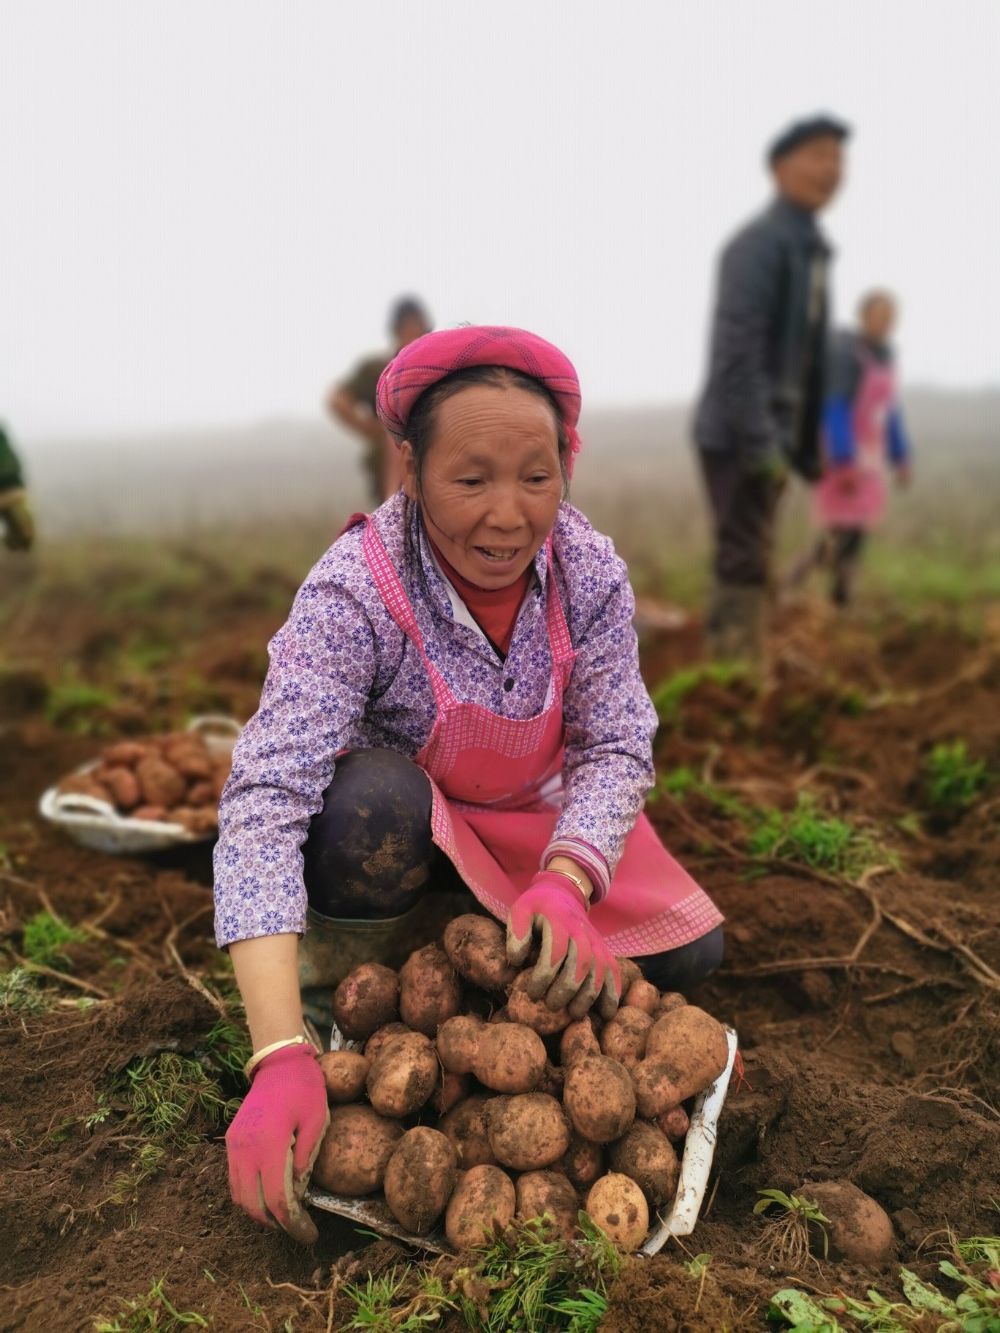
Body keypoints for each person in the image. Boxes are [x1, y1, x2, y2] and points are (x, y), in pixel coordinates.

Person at [216, 325, 724, 1240]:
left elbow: (617, 743)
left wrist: (569, 879)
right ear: (410, 468)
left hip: (535, 826)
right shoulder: (356, 590)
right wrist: (278, 1049)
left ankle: (495, 938)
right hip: (408, 834)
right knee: (368, 802)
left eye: (536, 477)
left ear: (568, 466)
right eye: (471, 479)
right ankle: (346, 994)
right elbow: (264, 799)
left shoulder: (587, 570)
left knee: (693, 958)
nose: (508, 516)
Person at [693, 113, 850, 664]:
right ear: (780, 168)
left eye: (837, 159)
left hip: (771, 431)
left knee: (756, 549)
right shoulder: (758, 247)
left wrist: (806, 449)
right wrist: (762, 445)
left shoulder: (811, 249)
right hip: (739, 431)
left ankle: (745, 661)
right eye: (818, 156)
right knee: (743, 554)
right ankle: (732, 673)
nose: (830, 169)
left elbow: (809, 360)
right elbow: (737, 357)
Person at [789, 291, 912, 605]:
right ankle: (802, 584)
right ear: (864, 316)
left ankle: (835, 593)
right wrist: (843, 460)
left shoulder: (886, 356)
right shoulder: (846, 354)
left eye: (890, 317)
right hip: (841, 450)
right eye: (879, 315)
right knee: (840, 528)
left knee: (858, 527)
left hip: (870, 455)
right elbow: (835, 406)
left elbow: (890, 412)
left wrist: (901, 456)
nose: (885, 323)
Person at [326, 296, 432, 503]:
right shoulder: (379, 370)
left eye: (416, 328)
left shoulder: (437, 370)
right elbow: (338, 400)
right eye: (407, 328)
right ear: (396, 330)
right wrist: (374, 430)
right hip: (389, 472)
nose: (412, 335)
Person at [0, 424, 35, 552]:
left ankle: (19, 545)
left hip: (12, 492)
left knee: (21, 527)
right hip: (15, 491)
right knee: (22, 526)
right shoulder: (5, 447)